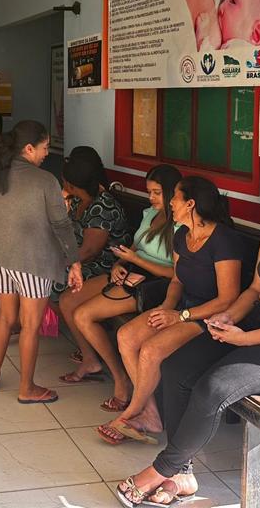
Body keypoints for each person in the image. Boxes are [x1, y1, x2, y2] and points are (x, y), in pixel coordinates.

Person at [115, 165, 260, 506]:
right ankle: (183, 474)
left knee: (212, 387)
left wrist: (244, 339)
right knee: (176, 368)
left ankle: (161, 470)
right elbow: (254, 291)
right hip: (254, 324)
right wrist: (227, 318)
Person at [99, 175, 247, 445]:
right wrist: (166, 308)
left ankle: (130, 413)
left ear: (190, 204)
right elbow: (177, 281)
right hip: (181, 307)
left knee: (151, 350)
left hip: (210, 318)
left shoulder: (223, 240)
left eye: (175, 198)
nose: (171, 203)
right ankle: (151, 414)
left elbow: (227, 299)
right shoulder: (181, 235)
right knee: (126, 336)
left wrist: (179, 317)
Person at [0, 120, 83, 404]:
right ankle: (27, 388)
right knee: (30, 325)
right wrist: (75, 262)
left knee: (5, 317)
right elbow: (61, 225)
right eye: (45, 148)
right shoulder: (46, 180)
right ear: (29, 148)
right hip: (34, 261)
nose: (47, 153)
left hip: (0, 256)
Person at [61, 165, 181, 396]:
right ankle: (90, 359)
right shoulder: (150, 213)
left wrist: (135, 260)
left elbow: (175, 274)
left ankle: (121, 379)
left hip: (153, 283)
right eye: (149, 192)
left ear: (172, 192)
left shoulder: (181, 225)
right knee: (68, 300)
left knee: (83, 315)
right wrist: (119, 264)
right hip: (130, 271)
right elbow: (134, 247)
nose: (151, 197)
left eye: (157, 193)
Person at [55, 149, 133, 378]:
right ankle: (86, 346)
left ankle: (89, 352)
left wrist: (57, 263)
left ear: (71, 184)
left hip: (106, 266)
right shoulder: (79, 199)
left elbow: (89, 251)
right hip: (81, 260)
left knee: (54, 283)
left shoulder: (103, 206)